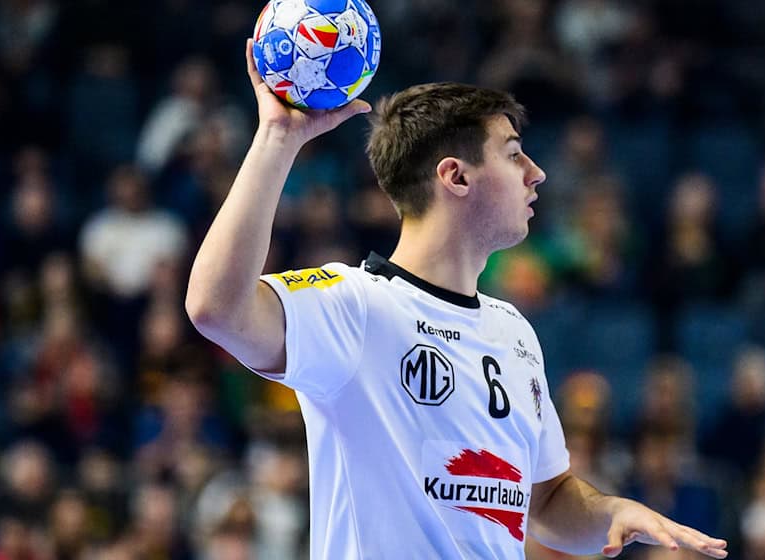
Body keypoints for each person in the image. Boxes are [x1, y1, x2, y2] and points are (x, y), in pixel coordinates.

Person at [185, 39, 729, 559]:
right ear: (456, 176)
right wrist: (277, 139)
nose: (536, 174)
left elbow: (547, 501)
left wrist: (613, 512)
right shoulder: (355, 307)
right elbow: (215, 307)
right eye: (514, 154)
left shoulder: (513, 330)